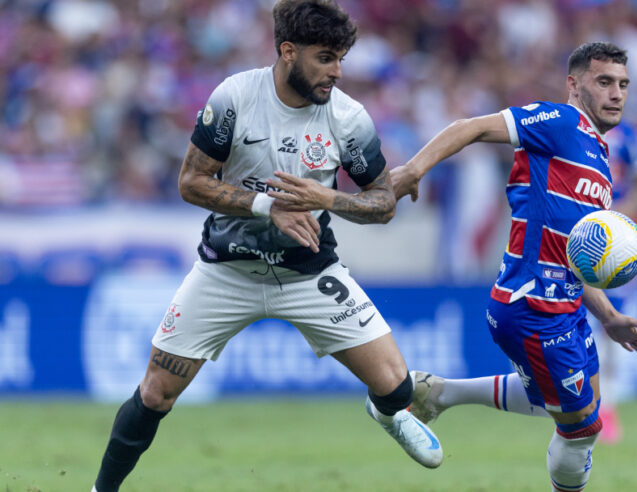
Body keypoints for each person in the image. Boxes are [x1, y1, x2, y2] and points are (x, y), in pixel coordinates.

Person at [91, 2, 442, 491]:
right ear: (287, 51)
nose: (337, 72)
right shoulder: (235, 98)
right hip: (225, 273)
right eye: (325, 58)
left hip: (309, 273)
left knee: (396, 388)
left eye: (341, 58)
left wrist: (328, 197)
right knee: (155, 393)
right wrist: (266, 206)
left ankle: (383, 413)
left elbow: (383, 203)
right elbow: (191, 182)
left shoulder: (347, 117)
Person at [392, 42, 637, 491]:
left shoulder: (600, 157)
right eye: (604, 82)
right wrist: (413, 170)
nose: (617, 94)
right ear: (574, 85)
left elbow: (574, 257)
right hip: (532, 303)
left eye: (623, 85)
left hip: (568, 305)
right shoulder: (558, 121)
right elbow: (471, 127)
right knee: (581, 430)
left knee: (579, 402)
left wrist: (608, 316)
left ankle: (439, 393)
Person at [588, 119, 637, 444]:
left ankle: (606, 407)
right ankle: (595, 407)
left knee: (614, 324)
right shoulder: (575, 130)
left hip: (618, 245)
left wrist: (628, 210)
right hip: (583, 241)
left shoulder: (627, 135)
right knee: (586, 325)